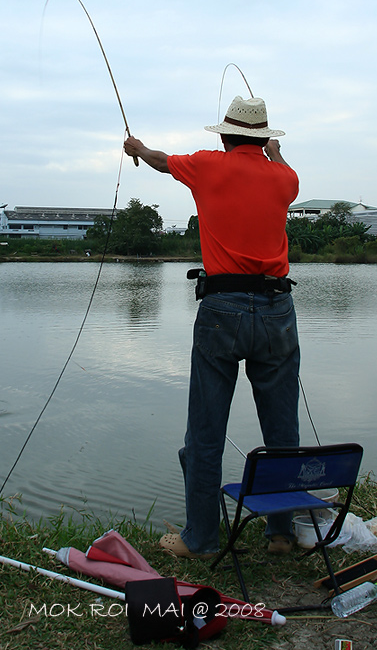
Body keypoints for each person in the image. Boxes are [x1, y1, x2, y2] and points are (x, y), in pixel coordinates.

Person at [123, 95, 300, 559]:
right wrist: (274, 151)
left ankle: (200, 538)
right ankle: (280, 533)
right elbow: (281, 165)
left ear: (224, 135)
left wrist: (138, 149)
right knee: (282, 429)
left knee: (205, 432)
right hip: (278, 307)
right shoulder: (286, 179)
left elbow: (163, 162)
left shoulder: (207, 165)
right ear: (262, 139)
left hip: (222, 308)